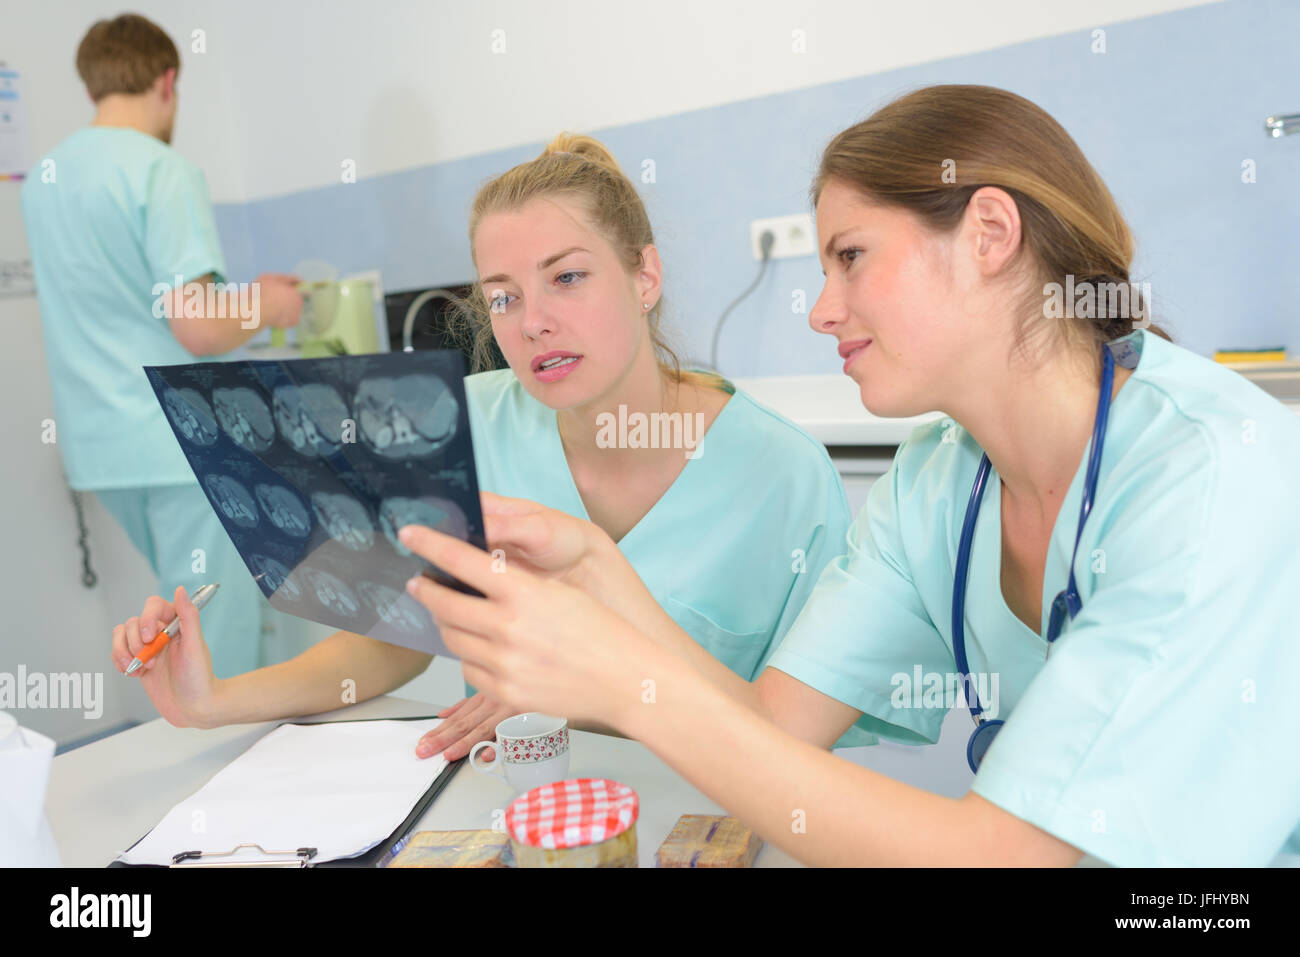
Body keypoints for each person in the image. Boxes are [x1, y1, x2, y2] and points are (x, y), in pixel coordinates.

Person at [399, 85, 1300, 866]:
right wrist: (598, 569)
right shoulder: (938, 479)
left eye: (852, 257)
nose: (823, 310)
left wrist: (616, 677)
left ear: (989, 232)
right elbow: (773, 726)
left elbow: (1003, 852)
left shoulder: (1210, 477)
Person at [109, 133, 861, 759]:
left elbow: (805, 748)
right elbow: (394, 638)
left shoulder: (784, 477)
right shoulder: (459, 427)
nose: (532, 322)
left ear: (645, 275)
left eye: (567, 277)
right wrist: (215, 702)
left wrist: (574, 693)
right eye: (503, 295)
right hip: (509, 812)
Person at [22, 14, 303, 678]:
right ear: (167, 80)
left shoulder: (44, 181)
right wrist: (271, 302)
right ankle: (237, 764)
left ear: (94, 84)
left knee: (184, 610)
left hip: (102, 450)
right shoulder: (161, 169)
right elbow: (198, 324)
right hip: (179, 442)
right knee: (218, 628)